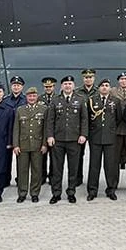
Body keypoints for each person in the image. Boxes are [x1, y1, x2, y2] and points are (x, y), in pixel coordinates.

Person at [46, 75, 87, 204]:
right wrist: (50, 136)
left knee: (73, 168)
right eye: (65, 84)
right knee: (57, 169)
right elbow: (50, 120)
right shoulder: (55, 100)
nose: (68, 86)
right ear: (62, 86)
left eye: (70, 84)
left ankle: (71, 192)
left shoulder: (80, 99)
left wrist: (83, 135)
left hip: (74, 140)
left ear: (73, 86)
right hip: (58, 140)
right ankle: (56, 193)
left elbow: (84, 119)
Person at [86, 79, 123, 200]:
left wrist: (110, 129)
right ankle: (92, 191)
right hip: (95, 137)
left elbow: (118, 118)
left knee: (110, 165)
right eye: (102, 85)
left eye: (107, 85)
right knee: (94, 165)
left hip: (110, 138)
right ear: (99, 88)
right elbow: (87, 118)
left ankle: (111, 190)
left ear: (110, 88)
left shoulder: (115, 101)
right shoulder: (92, 100)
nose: (104, 87)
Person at [13, 87, 48, 203]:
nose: (32, 98)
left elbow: (45, 129)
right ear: (26, 97)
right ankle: (22, 193)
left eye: (34, 96)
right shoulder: (20, 110)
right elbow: (16, 129)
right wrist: (16, 145)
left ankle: (34, 193)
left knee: (37, 170)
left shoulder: (43, 109)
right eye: (29, 96)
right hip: (23, 145)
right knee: (22, 170)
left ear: (37, 97)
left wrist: (44, 144)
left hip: (37, 145)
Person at [2, 76, 27, 188]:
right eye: (14, 85)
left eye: (18, 85)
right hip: (7, 133)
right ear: (11, 86)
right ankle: (5, 179)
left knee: (21, 159)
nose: (16, 87)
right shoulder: (5, 100)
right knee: (5, 158)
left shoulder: (25, 100)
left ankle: (20, 180)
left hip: (21, 133)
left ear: (22, 87)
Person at [74, 68, 98, 187]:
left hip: (95, 127)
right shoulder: (77, 92)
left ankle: (93, 181)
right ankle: (77, 178)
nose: (88, 79)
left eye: (90, 77)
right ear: (83, 78)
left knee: (95, 155)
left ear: (94, 78)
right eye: (86, 77)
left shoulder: (98, 91)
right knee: (78, 154)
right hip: (80, 127)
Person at [109, 72, 126, 172]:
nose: (124, 81)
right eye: (122, 79)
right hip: (116, 128)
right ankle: (113, 180)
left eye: (125, 79)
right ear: (118, 81)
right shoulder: (112, 91)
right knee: (114, 157)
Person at [40, 76, 57, 183]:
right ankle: (42, 176)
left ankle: (52, 177)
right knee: (42, 156)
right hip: (41, 131)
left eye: (50, 86)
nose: (48, 88)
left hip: (54, 131)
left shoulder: (58, 98)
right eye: (46, 87)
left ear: (54, 87)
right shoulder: (39, 99)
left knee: (54, 157)